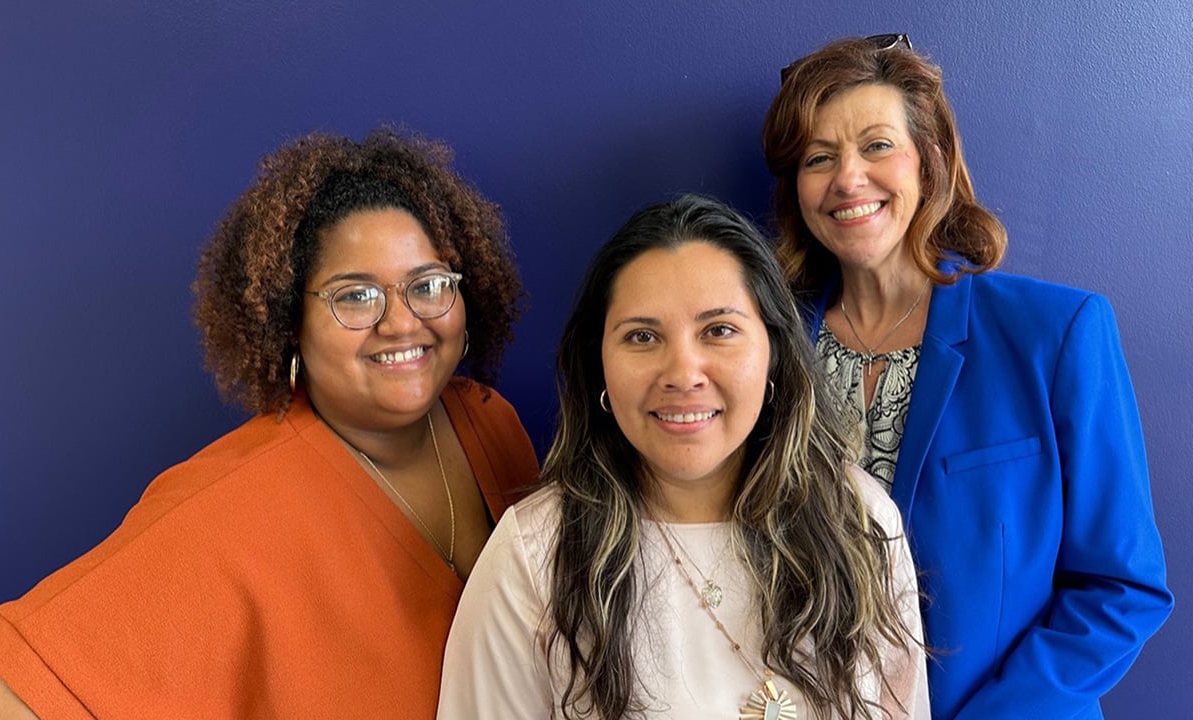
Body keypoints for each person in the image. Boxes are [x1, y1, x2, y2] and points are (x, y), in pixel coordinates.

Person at [0, 129, 539, 719]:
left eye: (427, 285)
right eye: (355, 296)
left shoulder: (489, 424)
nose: (402, 323)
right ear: (288, 322)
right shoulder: (231, 505)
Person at [759, 35, 1173, 719]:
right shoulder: (765, 350)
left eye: (877, 146)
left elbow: (1122, 588)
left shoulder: (1056, 334)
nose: (847, 178)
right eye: (818, 157)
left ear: (930, 161)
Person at [438, 194, 929, 719]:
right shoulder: (535, 557)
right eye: (642, 336)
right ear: (599, 365)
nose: (683, 373)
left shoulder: (861, 523)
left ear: (774, 354)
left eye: (719, 330)